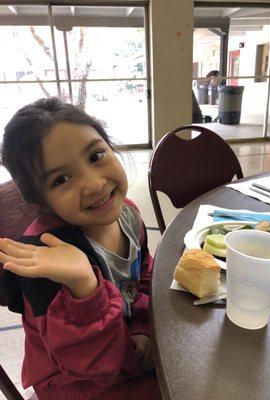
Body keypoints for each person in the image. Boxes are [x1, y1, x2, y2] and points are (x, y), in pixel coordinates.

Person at [0, 98, 162, 400]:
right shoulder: (46, 264)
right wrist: (85, 287)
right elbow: (89, 364)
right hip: (81, 385)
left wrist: (141, 326)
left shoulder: (128, 214)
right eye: (61, 179)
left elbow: (142, 278)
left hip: (128, 353)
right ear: (41, 200)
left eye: (96, 155)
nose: (94, 184)